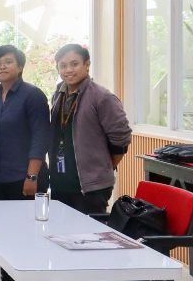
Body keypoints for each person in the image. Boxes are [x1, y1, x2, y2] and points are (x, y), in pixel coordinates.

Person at [0, 44, 51, 281]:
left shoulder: (32, 96)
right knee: (5, 234)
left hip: (26, 177)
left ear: (20, 66)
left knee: (29, 236)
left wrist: (32, 174)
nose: (2, 66)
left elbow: (40, 136)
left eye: (8, 62)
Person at [49, 44, 131, 214]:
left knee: (88, 238)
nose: (68, 70)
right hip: (61, 182)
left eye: (74, 64)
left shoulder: (102, 96)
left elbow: (121, 137)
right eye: (63, 66)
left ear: (87, 65)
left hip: (90, 187)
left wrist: (106, 165)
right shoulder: (59, 94)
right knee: (59, 235)